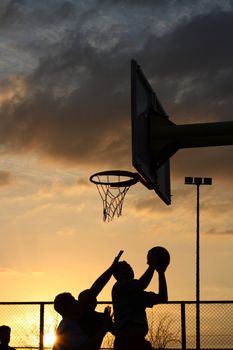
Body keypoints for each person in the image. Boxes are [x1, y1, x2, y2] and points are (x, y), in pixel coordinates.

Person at [53, 251, 123, 350]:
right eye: (74, 300)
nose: (78, 302)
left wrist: (111, 269)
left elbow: (94, 291)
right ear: (68, 307)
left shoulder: (82, 320)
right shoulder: (67, 327)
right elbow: (89, 347)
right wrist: (104, 327)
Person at [111, 254, 168, 350]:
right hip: (125, 341)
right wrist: (152, 265)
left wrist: (161, 273)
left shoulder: (138, 293)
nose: (129, 268)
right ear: (117, 274)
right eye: (125, 267)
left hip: (139, 340)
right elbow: (141, 284)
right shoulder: (119, 286)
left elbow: (162, 298)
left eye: (129, 266)